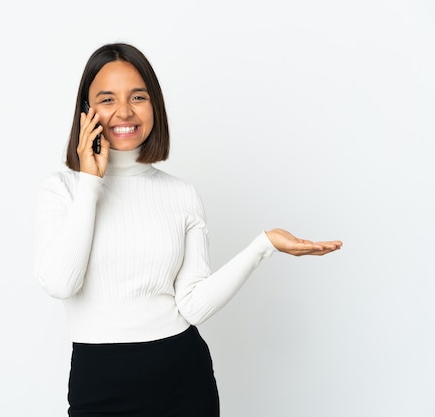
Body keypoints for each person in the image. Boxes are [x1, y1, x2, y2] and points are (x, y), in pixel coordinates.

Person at [33, 42, 342, 417]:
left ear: (154, 104)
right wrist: (90, 182)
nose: (125, 112)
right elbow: (60, 283)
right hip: (99, 383)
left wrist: (263, 246)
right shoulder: (64, 190)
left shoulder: (181, 194)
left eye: (138, 96)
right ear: (86, 111)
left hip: (182, 378)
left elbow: (193, 305)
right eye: (107, 99)